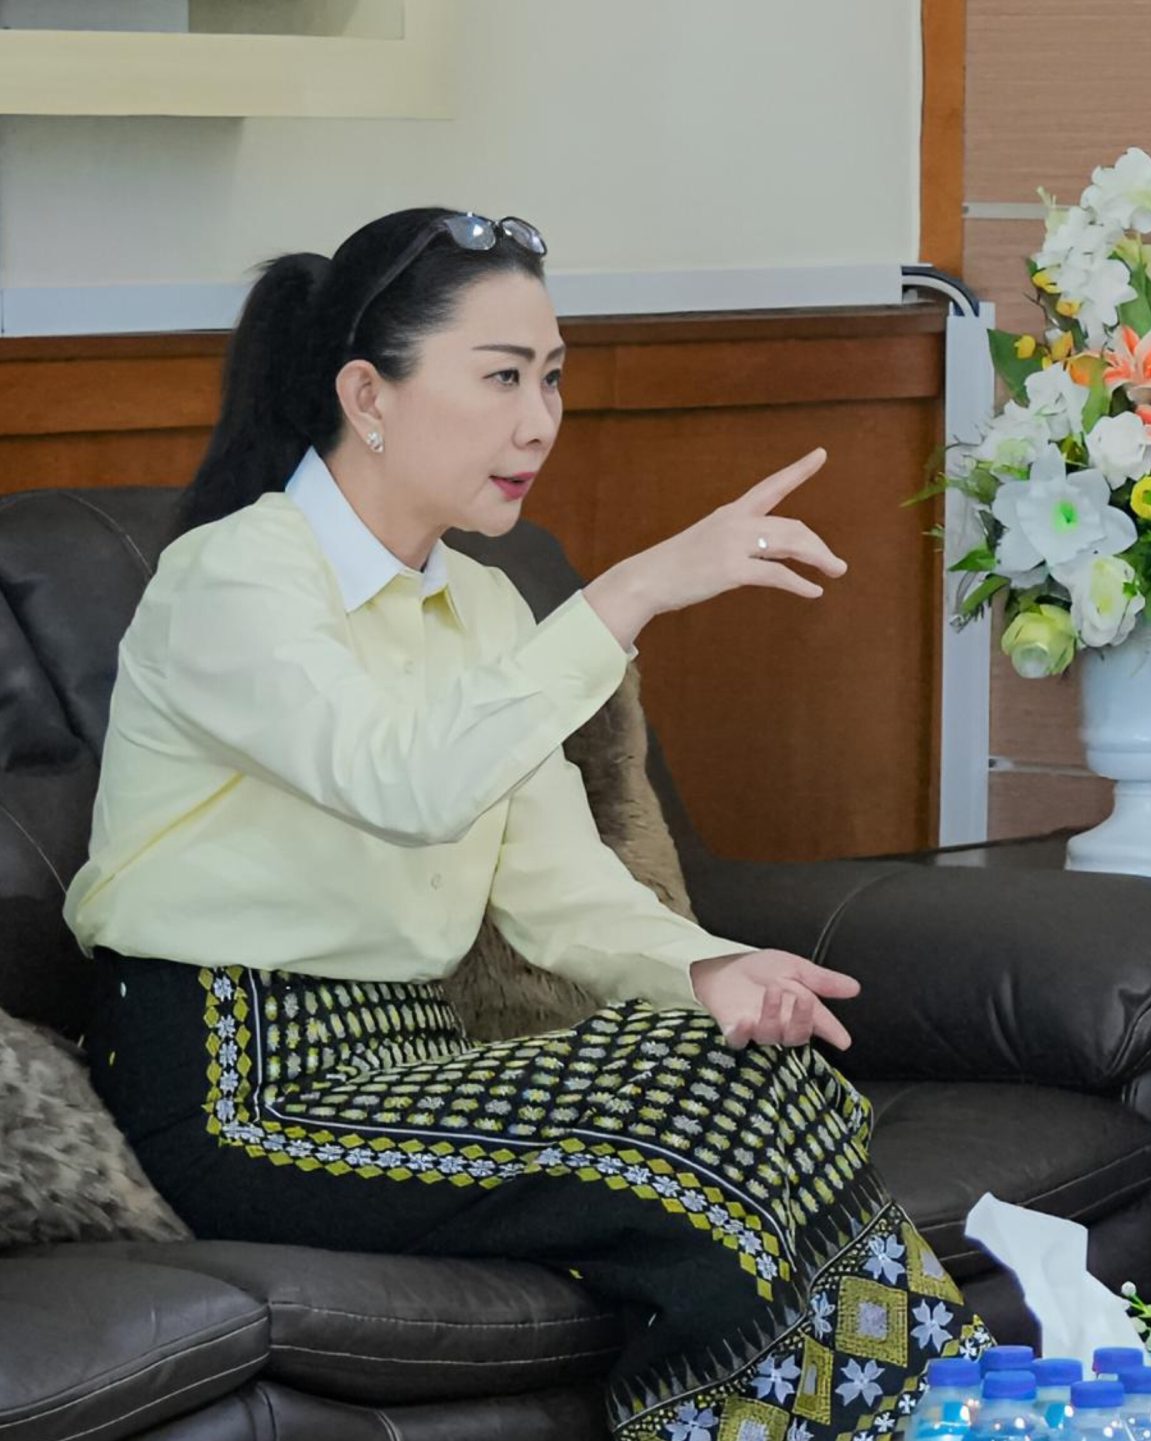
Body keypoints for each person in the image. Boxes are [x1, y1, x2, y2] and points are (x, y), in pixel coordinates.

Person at [72, 207, 985, 1439]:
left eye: (552, 377)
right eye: (501, 377)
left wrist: (708, 969)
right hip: (237, 1088)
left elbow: (558, 887)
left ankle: (939, 1422)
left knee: (770, 1076)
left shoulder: (487, 607)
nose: (540, 420)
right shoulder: (233, 579)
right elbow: (406, 784)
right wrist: (633, 591)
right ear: (367, 394)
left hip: (408, 1054)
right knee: (689, 1129)